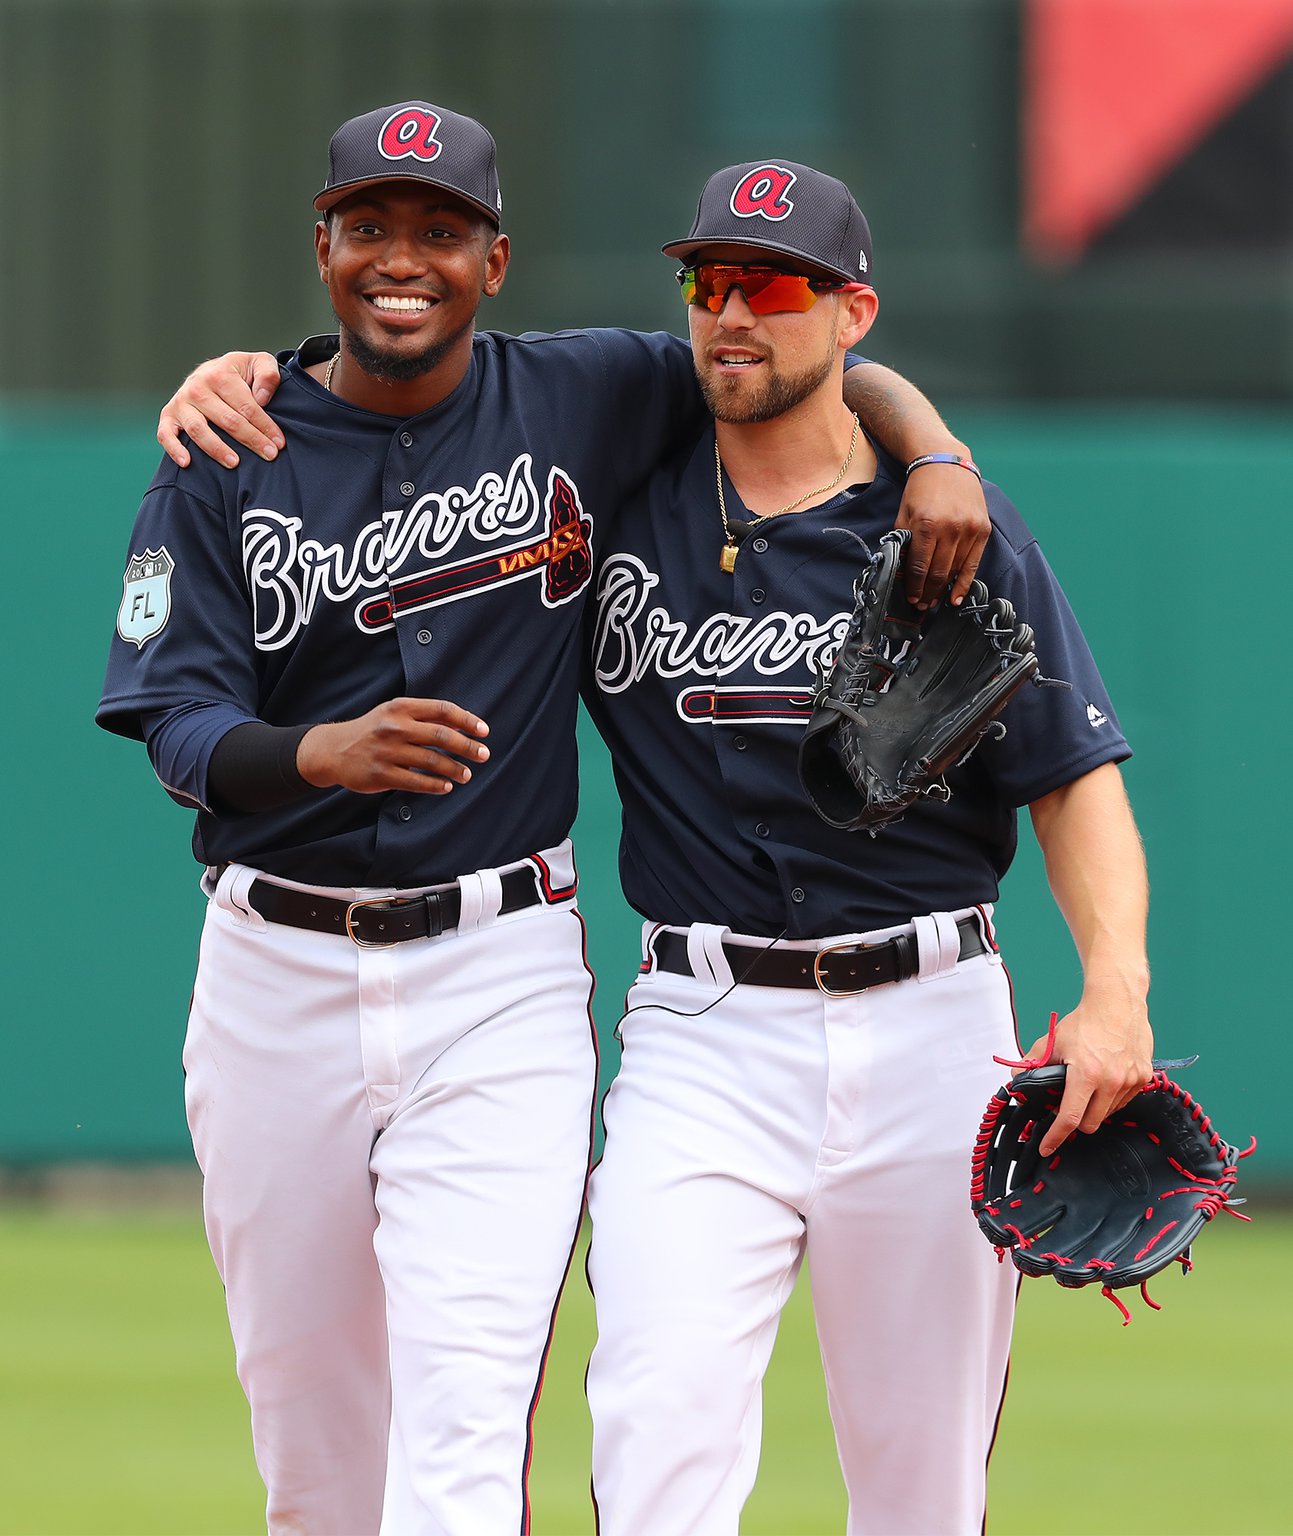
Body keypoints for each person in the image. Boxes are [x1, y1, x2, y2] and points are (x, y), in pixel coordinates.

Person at [106, 103, 990, 1535]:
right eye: (371, 227)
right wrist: (314, 753)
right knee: (317, 1462)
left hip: (495, 973)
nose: (405, 258)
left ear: (494, 258)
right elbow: (174, 726)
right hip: (272, 971)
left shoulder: (587, 392)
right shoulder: (230, 443)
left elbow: (804, 358)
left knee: (460, 1437)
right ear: (321, 246)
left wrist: (938, 454)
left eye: (439, 230)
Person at [577, 163, 1153, 1534]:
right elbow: (431, 391)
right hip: (701, 1030)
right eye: (703, 284)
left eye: (767, 286)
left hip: (930, 1026)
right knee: (653, 1430)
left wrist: (1114, 990)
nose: (727, 314)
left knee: (919, 1490)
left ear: (851, 312)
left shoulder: (953, 530)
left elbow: (1070, 777)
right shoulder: (618, 499)